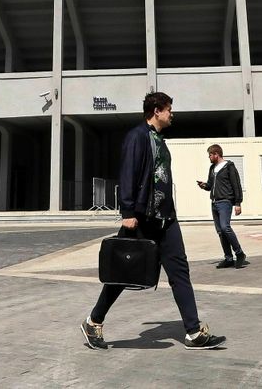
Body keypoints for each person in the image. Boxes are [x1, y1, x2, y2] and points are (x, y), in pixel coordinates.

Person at [81, 92, 224, 350]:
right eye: (169, 109)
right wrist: (127, 213)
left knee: (180, 271)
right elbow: (127, 172)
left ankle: (193, 331)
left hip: (166, 218)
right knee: (125, 272)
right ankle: (93, 321)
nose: (172, 113)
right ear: (156, 110)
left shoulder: (160, 140)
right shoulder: (137, 136)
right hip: (143, 217)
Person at [197, 143, 248, 268]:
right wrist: (204, 185)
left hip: (225, 202)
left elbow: (236, 185)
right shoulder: (212, 168)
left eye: (210, 155)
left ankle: (239, 253)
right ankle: (228, 258)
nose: (209, 157)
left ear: (216, 154)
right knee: (220, 231)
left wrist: (238, 203)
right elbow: (210, 186)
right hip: (214, 202)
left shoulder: (229, 166)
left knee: (225, 228)